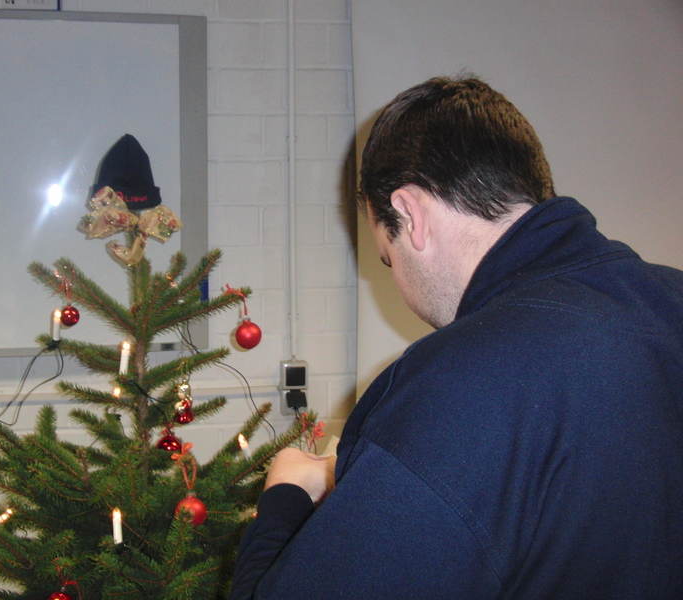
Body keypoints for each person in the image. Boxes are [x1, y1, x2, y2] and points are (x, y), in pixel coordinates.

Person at [229, 76, 683, 599]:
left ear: (410, 214)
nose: (399, 285)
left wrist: (285, 496)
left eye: (388, 258)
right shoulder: (668, 300)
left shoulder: (459, 381)